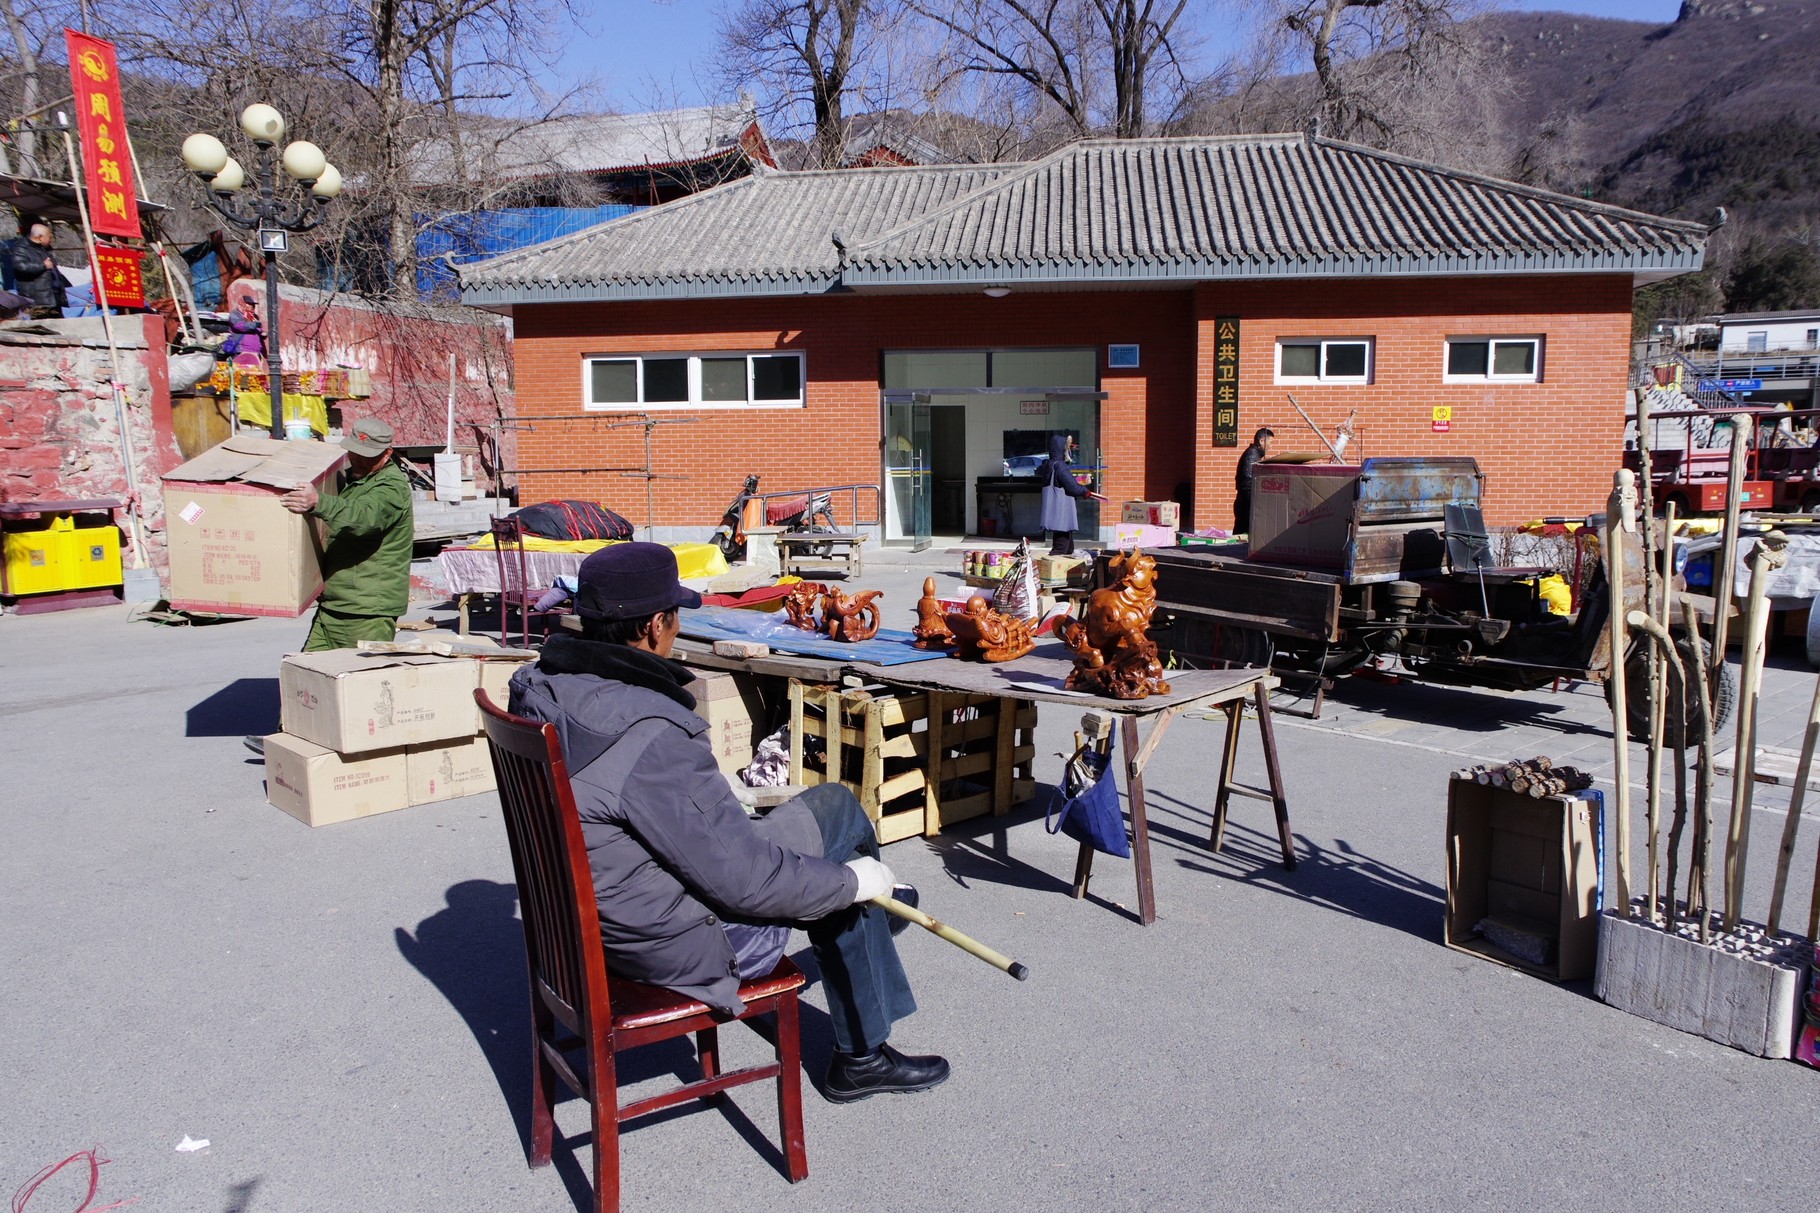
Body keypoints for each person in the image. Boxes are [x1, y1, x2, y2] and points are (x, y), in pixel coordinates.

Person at [507, 542, 951, 1102]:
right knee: (844, 866)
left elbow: (632, 810)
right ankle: (862, 1044)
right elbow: (746, 882)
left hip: (599, 919)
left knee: (835, 807)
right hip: (677, 940)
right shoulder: (649, 731)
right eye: (675, 618)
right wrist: (852, 885)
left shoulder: (543, 688)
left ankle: (867, 922)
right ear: (652, 626)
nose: (675, 631)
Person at [280, 418, 414, 651]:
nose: (358, 460)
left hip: (367, 610)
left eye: (368, 456)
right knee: (310, 676)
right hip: (335, 603)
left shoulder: (391, 488)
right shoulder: (355, 478)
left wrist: (319, 502)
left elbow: (364, 517)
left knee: (357, 681)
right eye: (355, 452)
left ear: (387, 453)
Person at [1036, 432, 1108, 556]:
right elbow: (1072, 487)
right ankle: (1053, 570)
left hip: (1056, 511)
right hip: (1061, 512)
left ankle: (1066, 569)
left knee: (1067, 547)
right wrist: (1086, 491)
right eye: (1067, 449)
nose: (1069, 451)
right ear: (1063, 450)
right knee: (1060, 548)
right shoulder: (1060, 466)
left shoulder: (1049, 465)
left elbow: (1063, 483)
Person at [10, 224, 67, 318]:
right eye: (49, 237)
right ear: (40, 237)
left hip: (53, 298)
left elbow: (53, 267)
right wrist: (43, 266)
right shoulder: (21, 249)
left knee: (60, 327)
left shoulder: (43, 249)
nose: (51, 240)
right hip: (38, 301)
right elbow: (21, 266)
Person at [1233, 427, 1275, 536]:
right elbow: (1247, 483)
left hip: (1246, 504)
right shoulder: (1251, 457)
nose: (1271, 446)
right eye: (1270, 442)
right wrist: (1256, 504)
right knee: (1243, 538)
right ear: (1262, 441)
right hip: (1247, 506)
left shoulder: (1254, 455)